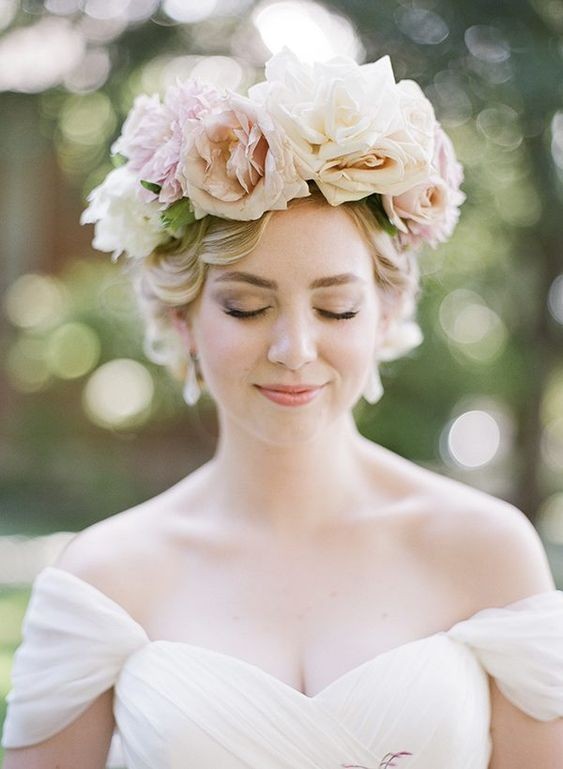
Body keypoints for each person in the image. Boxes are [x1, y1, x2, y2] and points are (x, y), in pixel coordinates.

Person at [2, 49, 562, 769]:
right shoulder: (104, 579)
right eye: (245, 305)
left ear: (384, 316)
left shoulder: (488, 552)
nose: (295, 348)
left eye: (335, 306)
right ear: (183, 321)